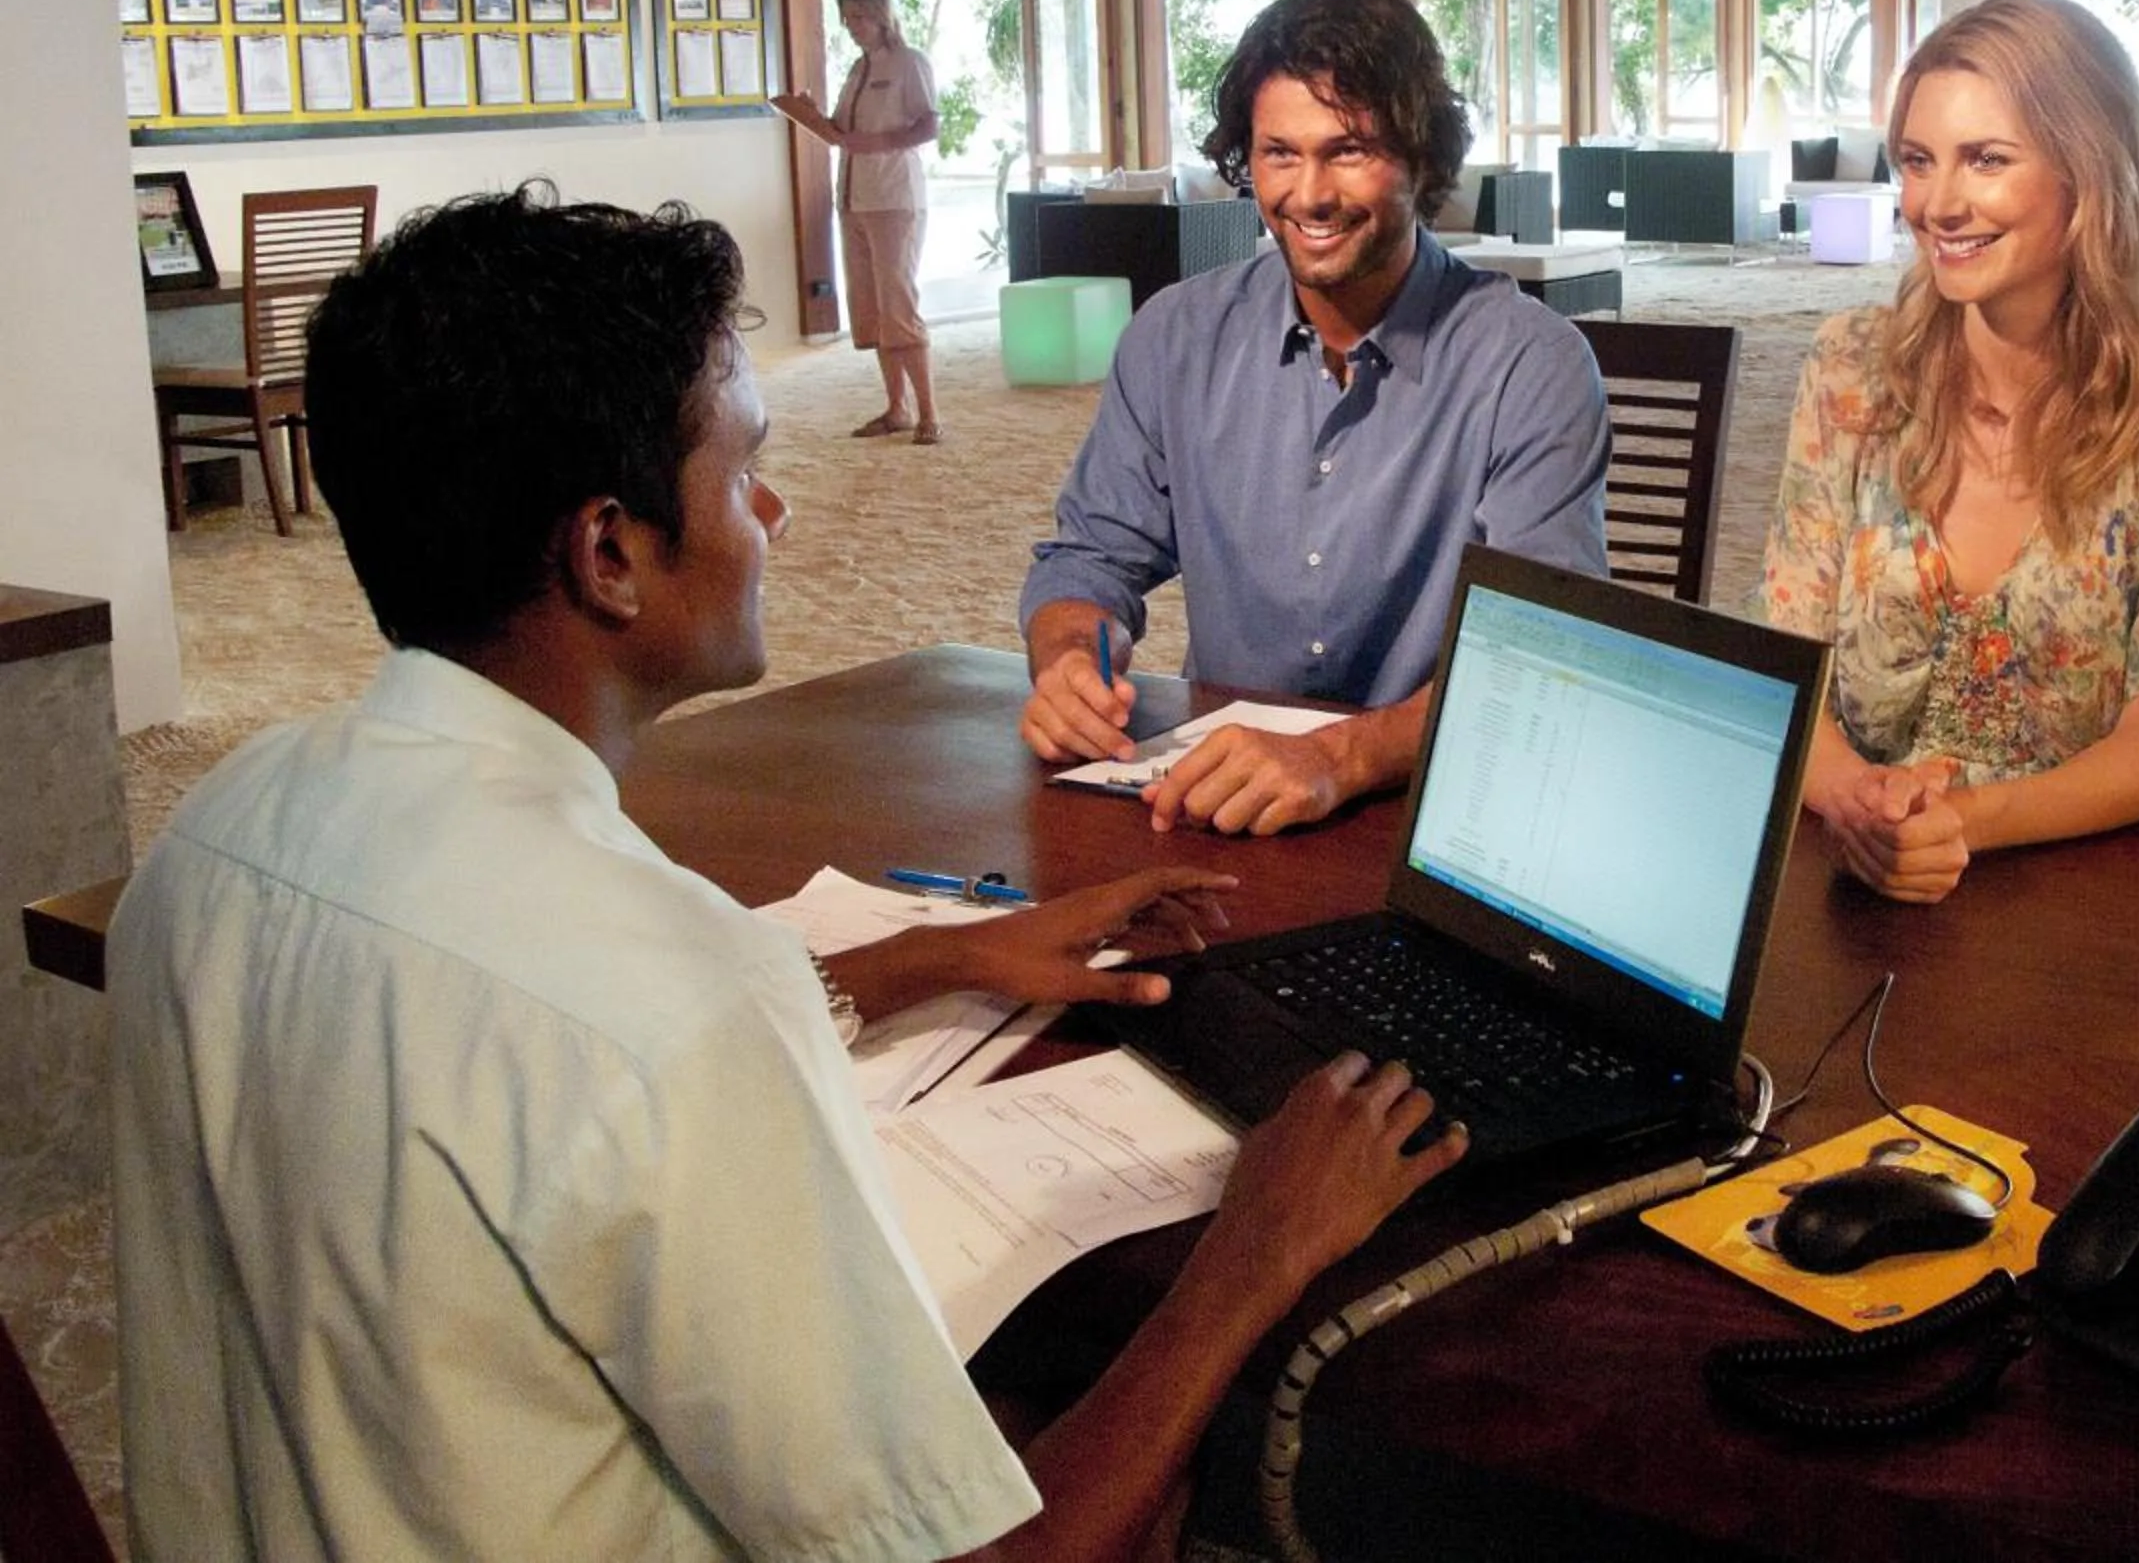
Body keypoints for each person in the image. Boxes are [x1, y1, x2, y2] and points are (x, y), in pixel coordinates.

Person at [106, 187, 1464, 1562]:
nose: (776, 508)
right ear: (611, 552)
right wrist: (1252, 1259)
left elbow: (522, 1058)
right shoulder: (667, 999)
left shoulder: (221, 825)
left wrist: (944, 954)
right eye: (744, 462)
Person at [1017, 0, 1608, 837]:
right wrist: (1070, 658)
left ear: (1422, 159)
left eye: (1349, 151)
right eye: (1279, 154)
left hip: (1443, 813)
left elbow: (1544, 652)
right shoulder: (1175, 336)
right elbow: (1089, 560)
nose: (1310, 194)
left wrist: (1342, 757)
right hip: (1220, 804)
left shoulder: (1530, 363)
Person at [1761, 0, 2139, 904]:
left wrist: (1953, 824)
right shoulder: (1852, 368)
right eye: (1920, 162)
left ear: (2089, 172)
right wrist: (1864, 809)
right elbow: (1790, 676)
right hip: (1863, 872)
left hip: (2109, 892)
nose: (1938, 203)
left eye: (1987, 160)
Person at [776, 0, 943, 442]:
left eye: (860, 17)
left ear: (882, 14)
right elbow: (843, 133)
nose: (853, 27)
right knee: (869, 306)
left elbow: (928, 125)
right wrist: (812, 117)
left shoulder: (909, 63)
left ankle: (929, 413)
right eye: (847, 19)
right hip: (853, 198)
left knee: (898, 302)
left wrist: (875, 143)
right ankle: (896, 407)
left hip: (894, 198)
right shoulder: (857, 68)